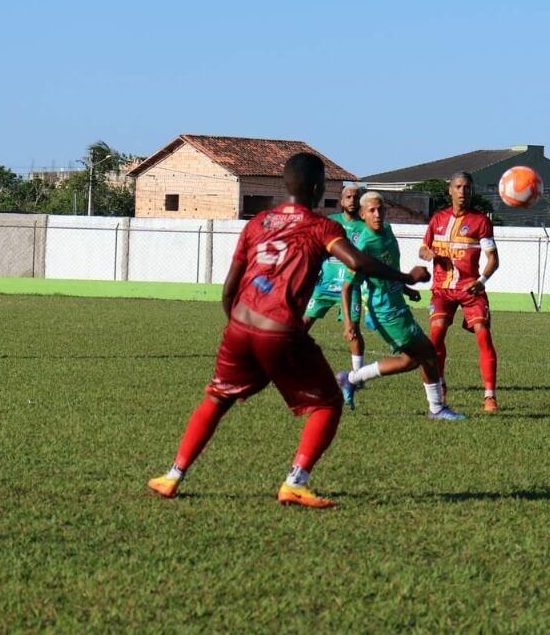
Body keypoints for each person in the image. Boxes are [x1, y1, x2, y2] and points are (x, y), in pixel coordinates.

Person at [147, 154, 433, 509]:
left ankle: (172, 475)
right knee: (328, 403)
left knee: (218, 398)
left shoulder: (258, 223)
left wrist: (239, 328)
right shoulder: (321, 227)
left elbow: (228, 289)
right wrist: (407, 277)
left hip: (239, 326)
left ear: (285, 185)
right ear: (316, 189)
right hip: (279, 331)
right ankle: (295, 482)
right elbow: (357, 262)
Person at [338, 192, 466, 421]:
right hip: (385, 312)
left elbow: (388, 269)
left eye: (381, 209)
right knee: (428, 352)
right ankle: (436, 408)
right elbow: (347, 287)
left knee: (410, 360)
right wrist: (349, 323)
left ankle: (352, 379)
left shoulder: (387, 230)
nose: (377, 215)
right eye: (371, 211)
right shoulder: (363, 244)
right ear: (362, 214)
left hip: (397, 305)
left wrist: (405, 288)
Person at [417, 172, 501, 413]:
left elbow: (493, 259)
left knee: (483, 334)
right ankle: (440, 386)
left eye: (467, 187)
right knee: (436, 335)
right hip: (442, 291)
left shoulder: (480, 221)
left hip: (470, 289)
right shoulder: (438, 219)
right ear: (450, 190)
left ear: (472, 191)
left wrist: (482, 280)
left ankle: (489, 396)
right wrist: (429, 255)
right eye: (458, 186)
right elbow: (423, 249)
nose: (463, 191)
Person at [302, 184, 367, 371]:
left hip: (350, 285)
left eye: (355, 197)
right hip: (324, 285)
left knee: (353, 330)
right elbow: (315, 249)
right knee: (302, 325)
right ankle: (285, 367)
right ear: (341, 201)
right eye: (348, 197)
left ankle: (358, 375)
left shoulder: (365, 227)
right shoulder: (330, 222)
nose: (352, 201)